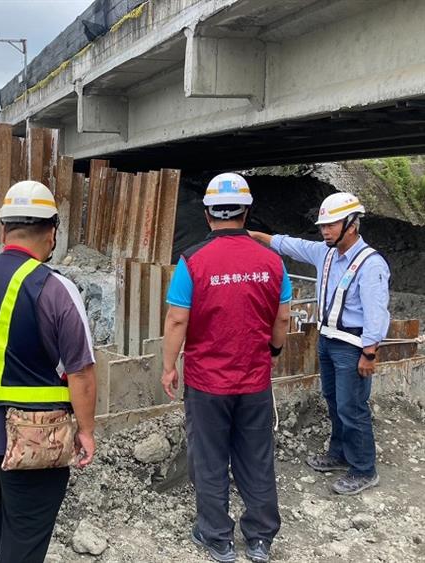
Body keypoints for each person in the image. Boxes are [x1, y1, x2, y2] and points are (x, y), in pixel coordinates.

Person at [0, 180, 97, 563]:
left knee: (4, 516)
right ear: (52, 232)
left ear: (3, 230)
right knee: (27, 536)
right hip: (36, 436)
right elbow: (80, 372)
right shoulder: (56, 288)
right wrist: (86, 431)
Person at [162, 173, 292, 563]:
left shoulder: (192, 261)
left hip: (207, 384)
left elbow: (176, 321)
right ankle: (259, 538)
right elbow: (282, 319)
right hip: (253, 381)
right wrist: (273, 349)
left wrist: (169, 366)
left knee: (210, 455)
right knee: (256, 455)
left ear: (207, 215)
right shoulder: (272, 261)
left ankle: (217, 537)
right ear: (246, 212)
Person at [249, 192, 390, 496]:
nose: (325, 231)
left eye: (331, 224)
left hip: (353, 346)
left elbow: (377, 312)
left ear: (352, 224)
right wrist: (255, 235)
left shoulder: (370, 264)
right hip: (328, 340)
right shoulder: (325, 253)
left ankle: (364, 469)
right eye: (322, 225)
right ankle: (339, 453)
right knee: (335, 400)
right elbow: (289, 244)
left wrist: (369, 352)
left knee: (352, 407)